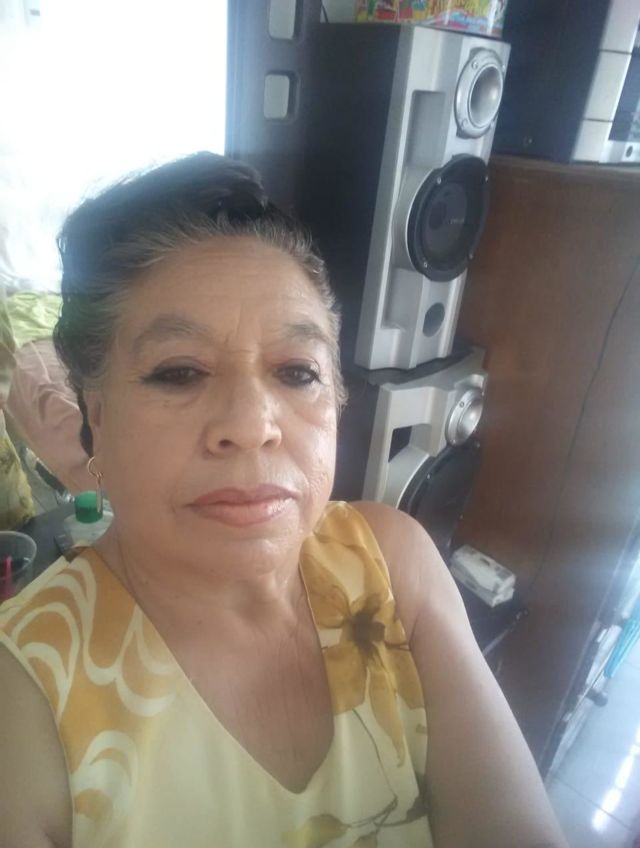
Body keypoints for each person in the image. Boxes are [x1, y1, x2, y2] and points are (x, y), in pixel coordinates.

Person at [0, 153, 568, 848]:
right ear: (96, 410)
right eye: (179, 372)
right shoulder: (24, 694)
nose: (251, 424)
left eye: (297, 372)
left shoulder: (392, 564)